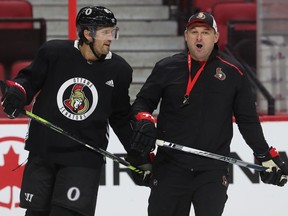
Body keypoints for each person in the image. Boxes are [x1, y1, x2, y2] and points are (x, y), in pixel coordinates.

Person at [127, 12, 288, 216]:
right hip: (170, 167)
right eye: (194, 32)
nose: (199, 38)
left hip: (212, 171)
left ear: (216, 37)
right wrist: (145, 121)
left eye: (205, 32)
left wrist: (264, 154)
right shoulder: (166, 68)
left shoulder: (234, 72)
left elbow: (247, 120)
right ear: (186, 36)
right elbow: (142, 103)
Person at [0, 6, 134, 216]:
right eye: (105, 32)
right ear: (87, 33)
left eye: (112, 32)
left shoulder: (119, 70)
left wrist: (139, 154)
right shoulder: (54, 52)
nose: (110, 38)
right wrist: (18, 92)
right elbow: (28, 81)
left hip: (84, 158)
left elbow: (121, 117)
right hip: (43, 152)